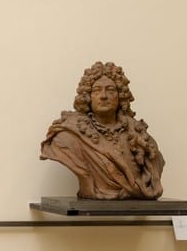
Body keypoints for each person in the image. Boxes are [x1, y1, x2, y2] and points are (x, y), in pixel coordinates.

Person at [40, 61, 165, 200]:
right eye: (97, 90)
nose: (103, 95)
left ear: (120, 96)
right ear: (87, 96)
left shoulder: (141, 137)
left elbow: (155, 162)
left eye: (110, 90)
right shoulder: (67, 138)